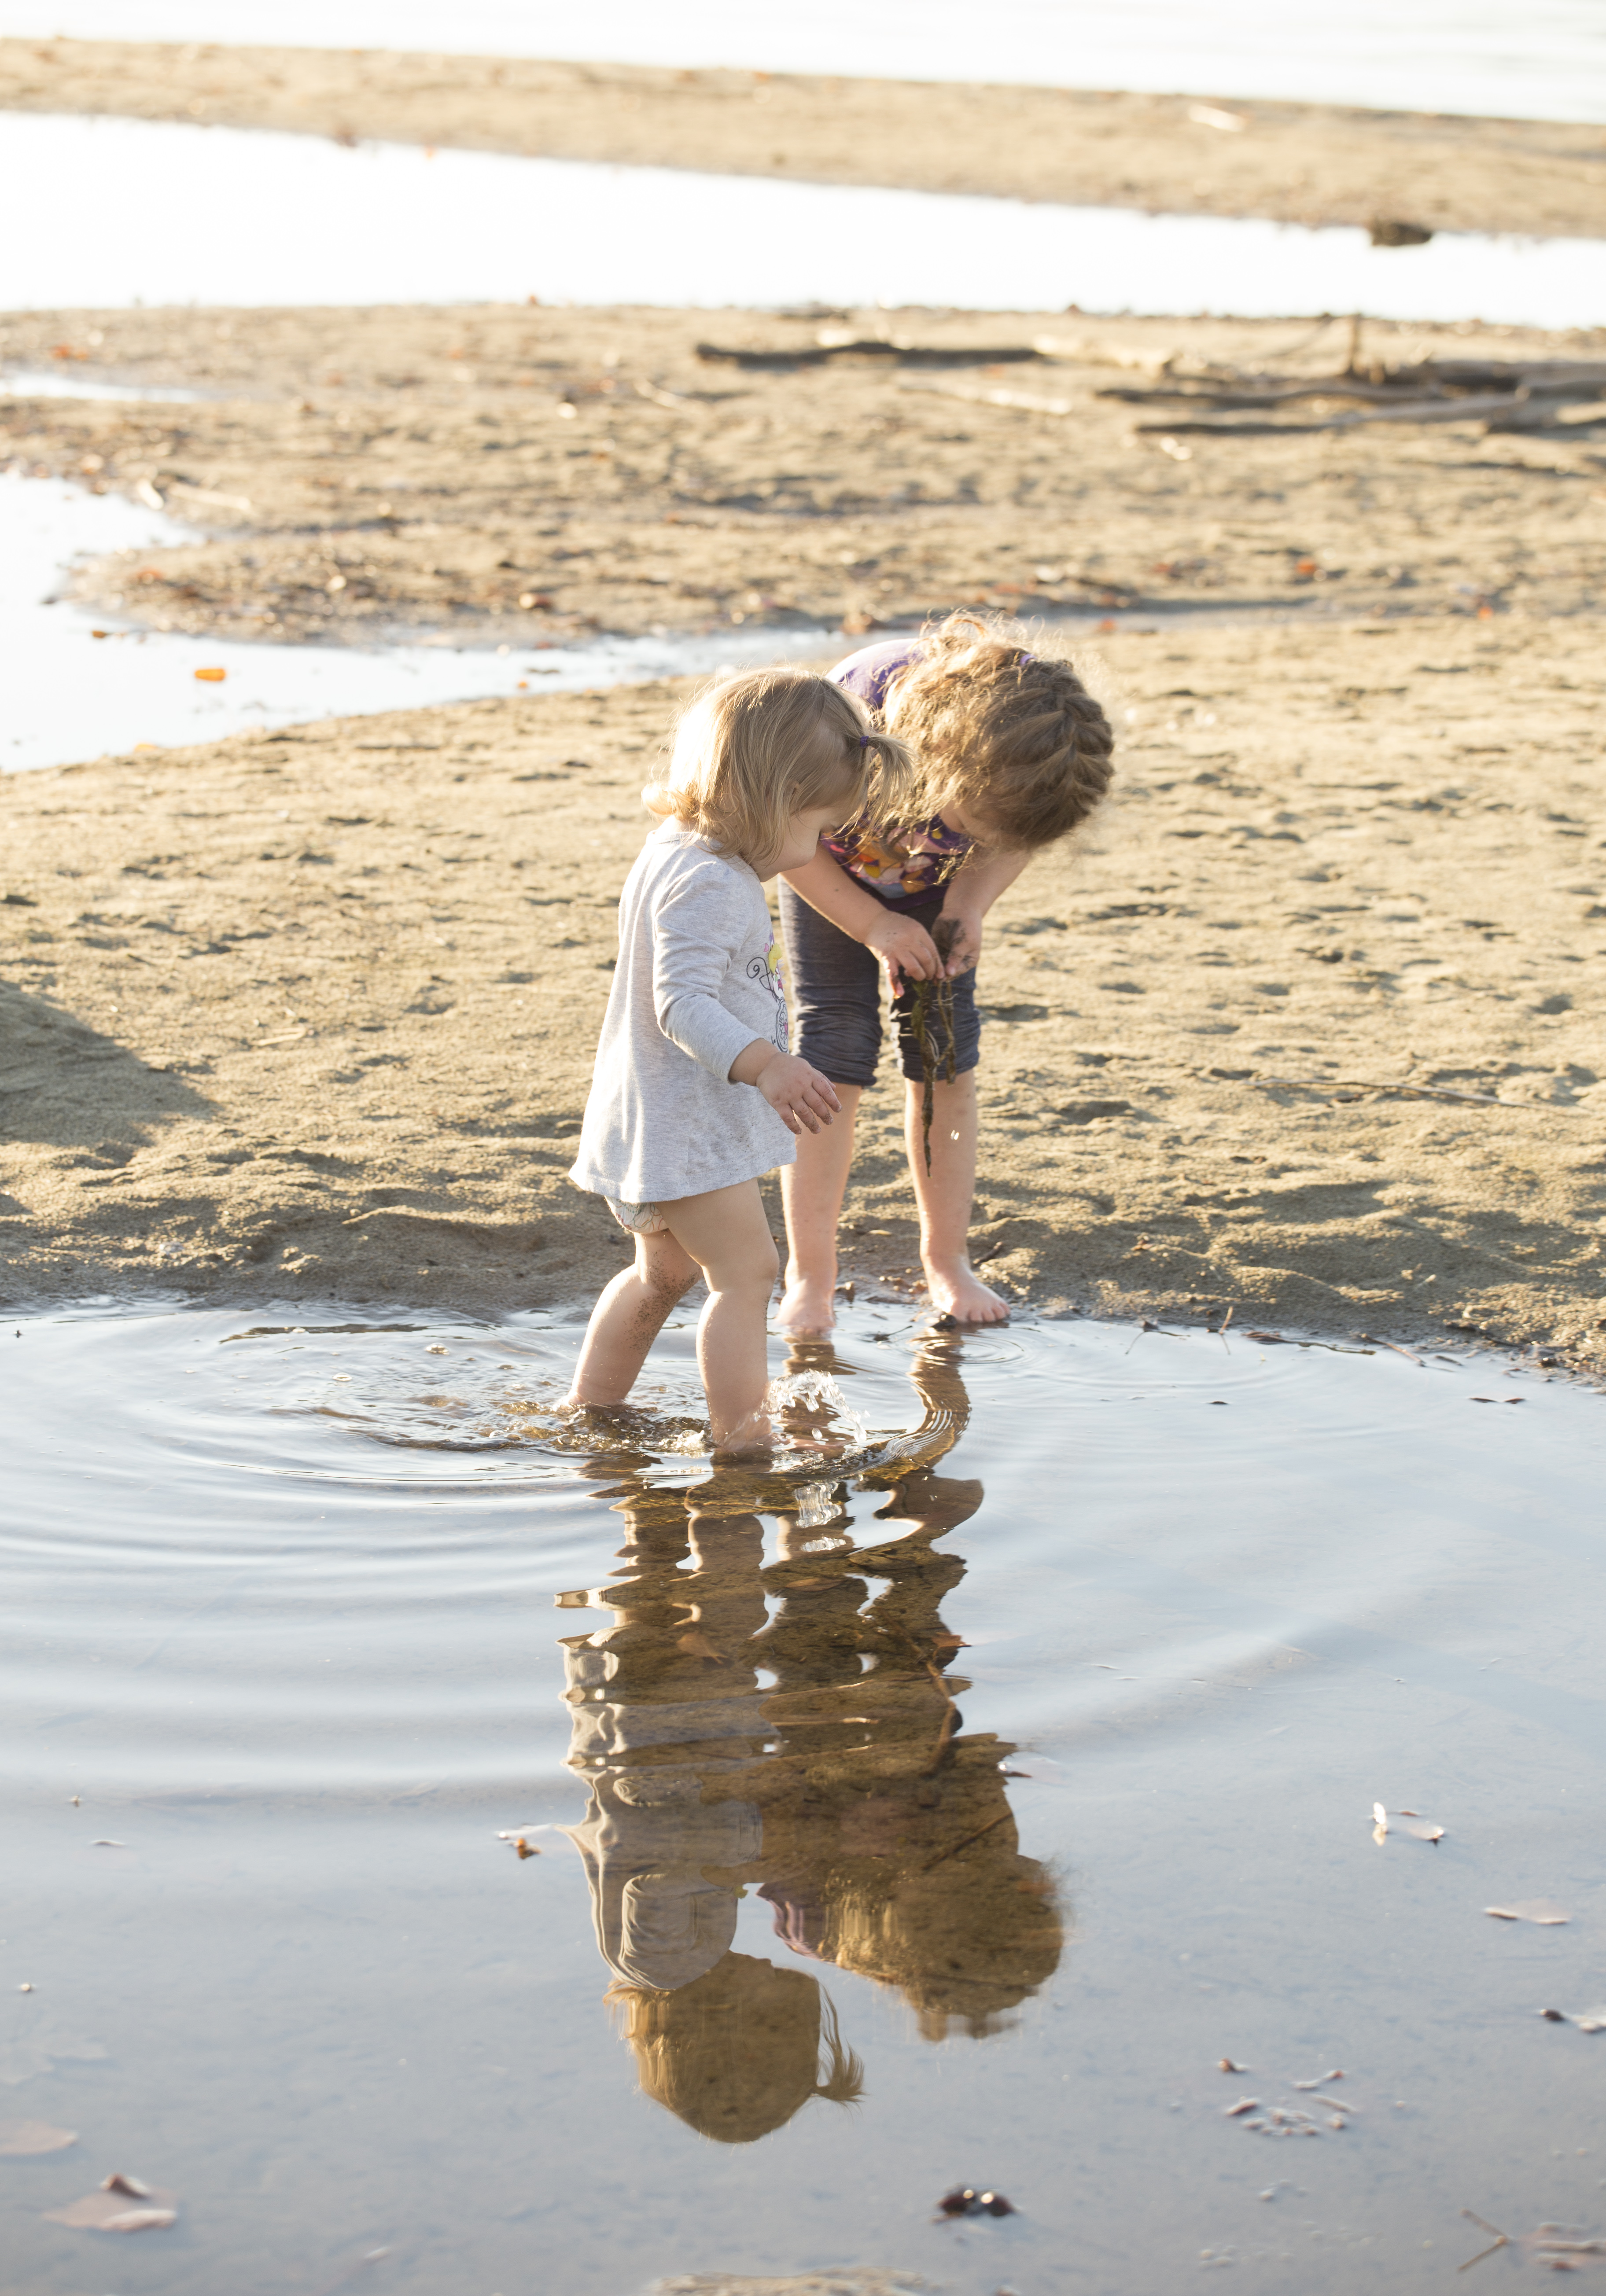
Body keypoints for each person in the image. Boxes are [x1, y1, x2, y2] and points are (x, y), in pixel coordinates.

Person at [565, 668, 914, 1452]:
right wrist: (768, 1065)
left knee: (665, 1276)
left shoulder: (676, 848)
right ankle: (745, 1444)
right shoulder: (712, 883)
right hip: (684, 1128)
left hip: (654, 1114)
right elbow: (681, 1004)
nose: (819, 848)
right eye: (819, 827)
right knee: (749, 1278)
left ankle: (593, 1409)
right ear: (772, 798)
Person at [776, 612, 1115, 1334]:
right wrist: (872, 925)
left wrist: (968, 903)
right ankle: (810, 1274)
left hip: (937, 886)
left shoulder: (1036, 757)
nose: (993, 838)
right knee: (834, 1047)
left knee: (944, 1058)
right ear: (945, 761)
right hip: (825, 866)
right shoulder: (843, 723)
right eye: (981, 821)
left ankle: (946, 1261)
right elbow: (784, 839)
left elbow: (1014, 835)